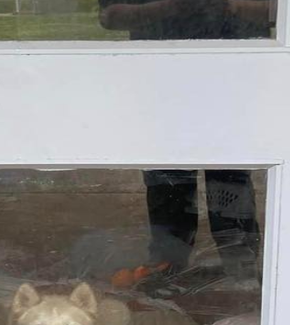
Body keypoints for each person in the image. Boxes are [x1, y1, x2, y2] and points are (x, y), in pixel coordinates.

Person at [99, 0, 273, 283]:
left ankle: (240, 267)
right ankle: (167, 264)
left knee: (230, 175)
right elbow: (110, 16)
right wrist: (176, 5)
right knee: (168, 177)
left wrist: (226, 4)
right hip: (160, 75)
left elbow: (283, 10)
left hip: (235, 70)